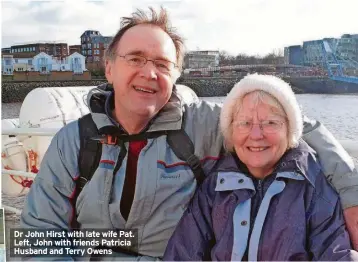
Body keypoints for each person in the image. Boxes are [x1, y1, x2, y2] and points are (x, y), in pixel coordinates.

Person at [20, 6, 358, 260]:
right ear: (109, 67)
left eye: (163, 65)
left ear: (177, 74)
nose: (149, 73)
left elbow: (296, 125)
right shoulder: (74, 142)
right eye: (135, 59)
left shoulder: (203, 126)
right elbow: (38, 236)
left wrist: (352, 198)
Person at [164, 74, 358, 261]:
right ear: (230, 132)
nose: (256, 134)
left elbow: (334, 252)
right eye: (245, 123)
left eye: (271, 123)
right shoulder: (215, 187)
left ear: (290, 130)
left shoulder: (313, 188)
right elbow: (184, 252)